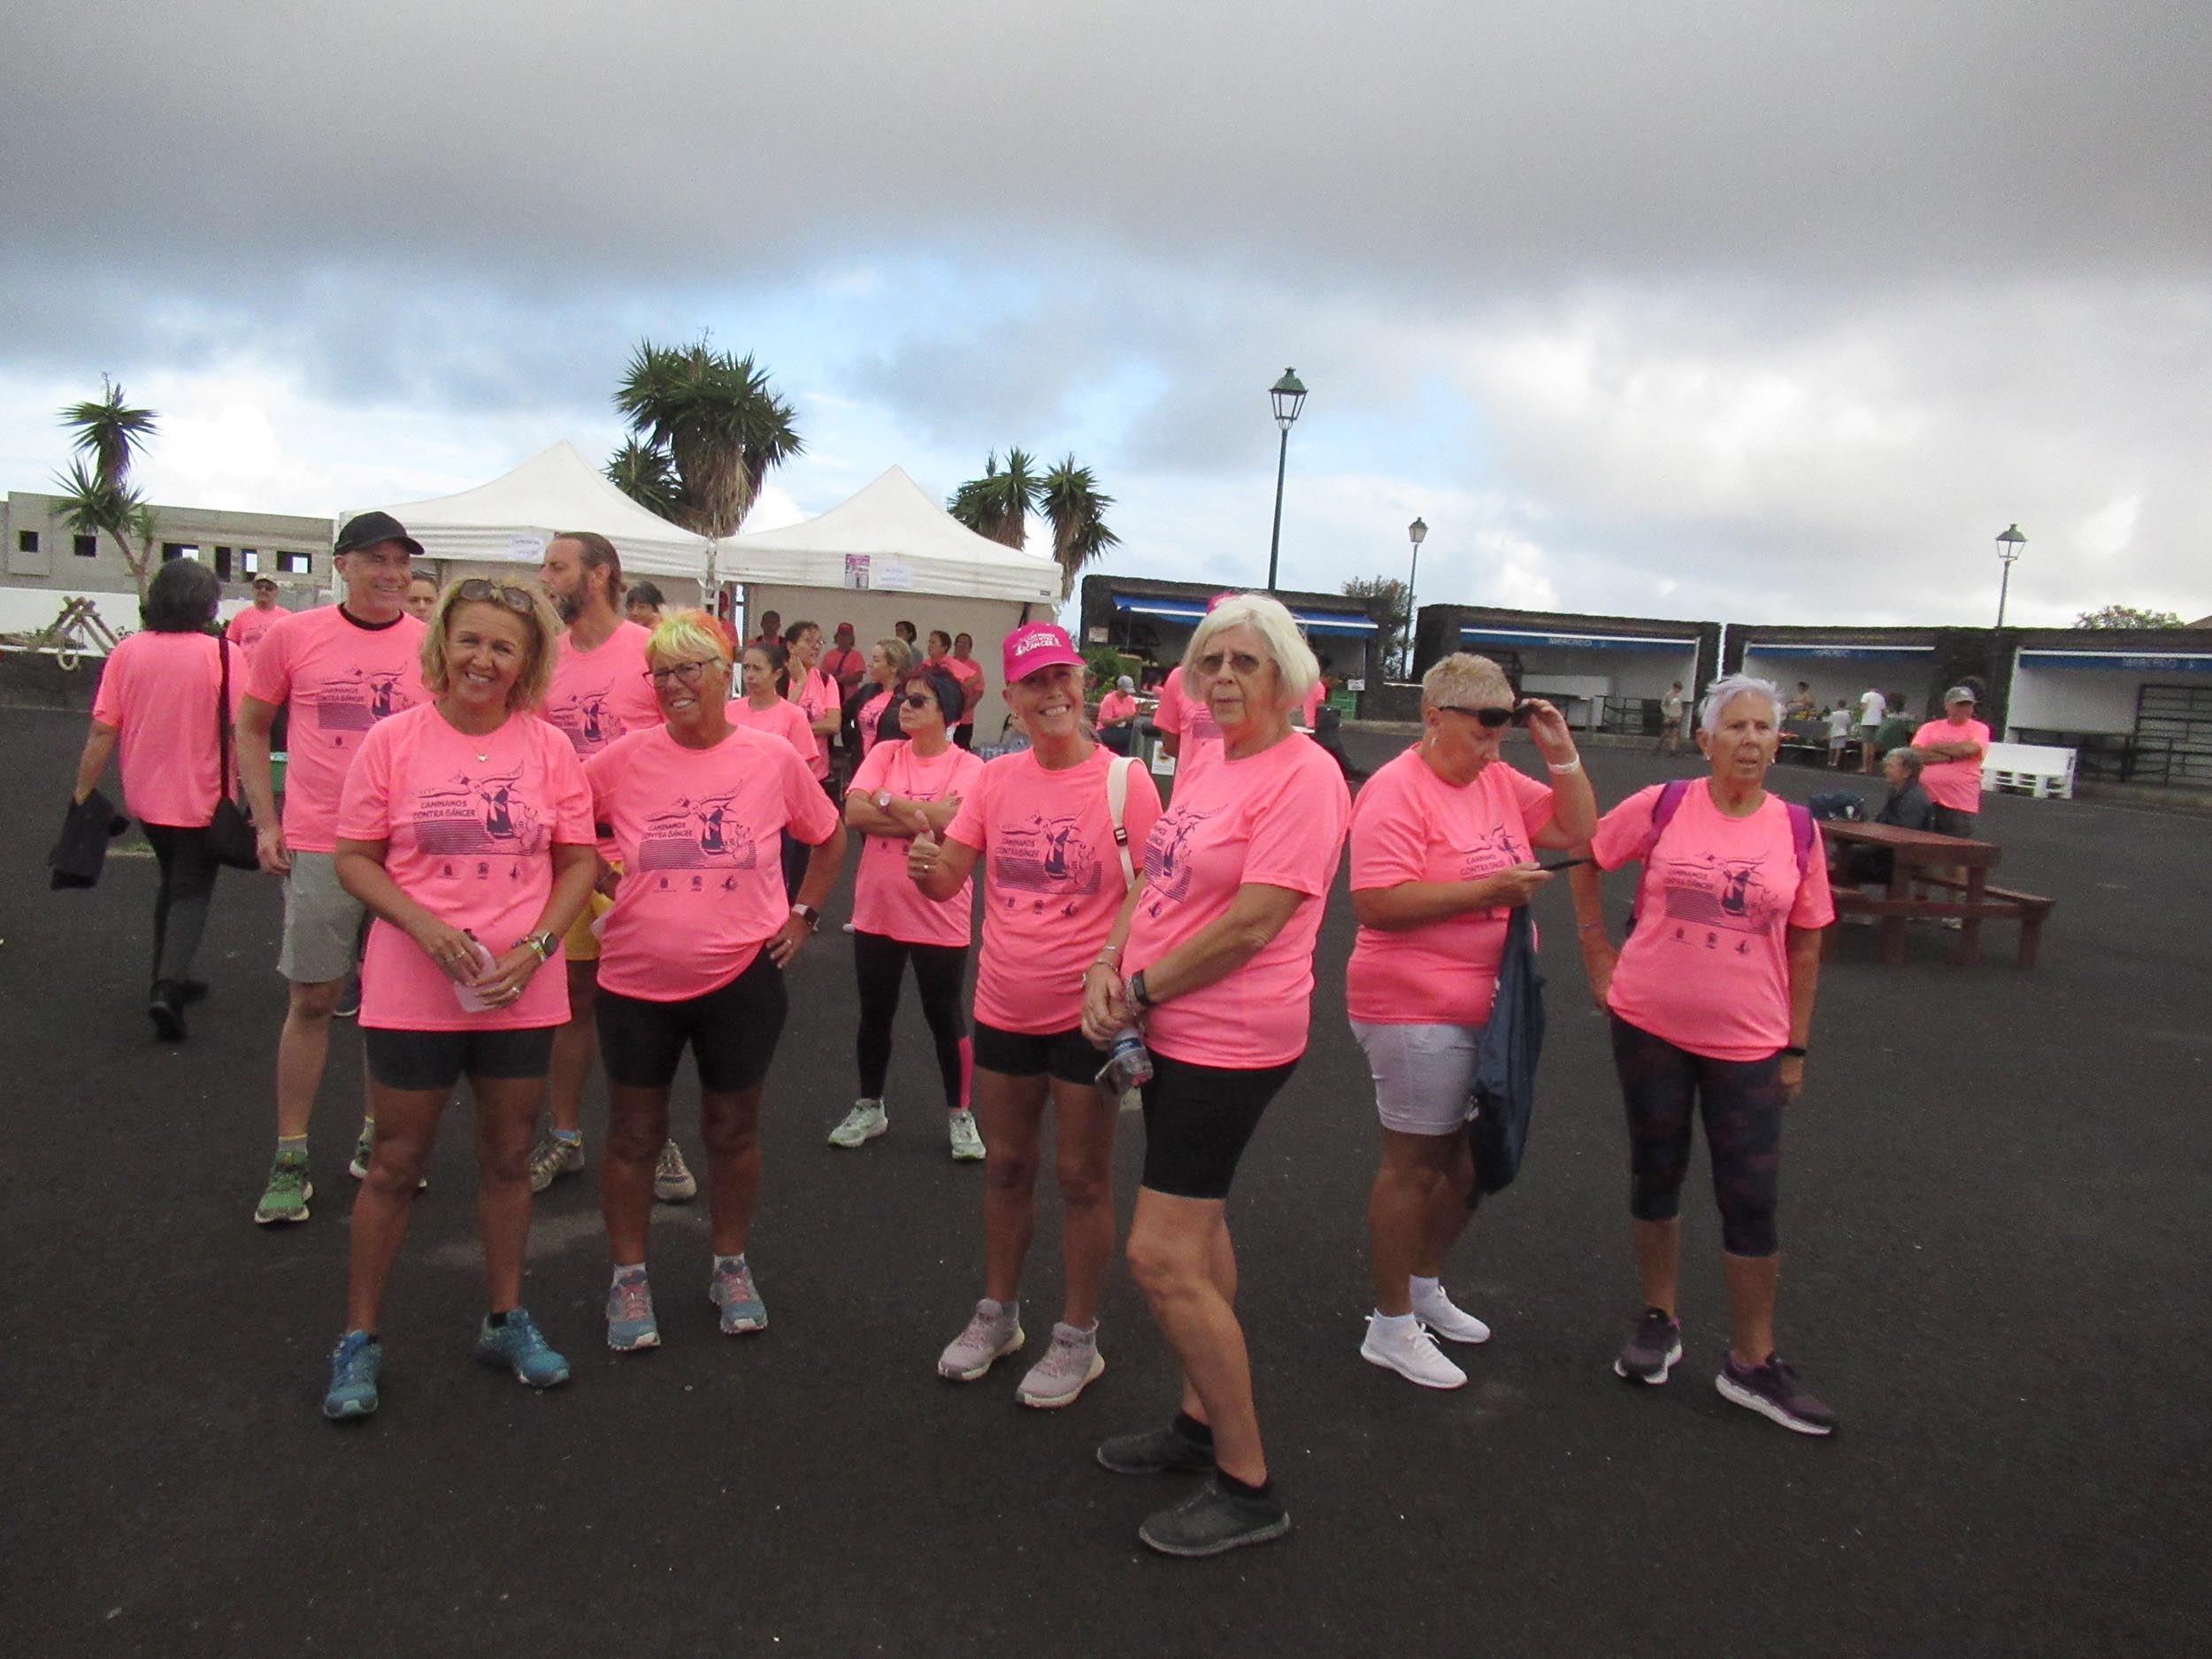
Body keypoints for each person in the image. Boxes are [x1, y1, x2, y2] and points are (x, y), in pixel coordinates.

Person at [1081, 593, 1350, 1558]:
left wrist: (1140, 986)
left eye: (1245, 662)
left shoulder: (1306, 776)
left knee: (1159, 1255)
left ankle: (1247, 1480)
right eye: (1210, 663)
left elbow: (1253, 921)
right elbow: (1157, 881)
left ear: (1286, 677)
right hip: (1170, 1024)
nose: (1225, 678)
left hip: (1230, 1036)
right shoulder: (1207, 760)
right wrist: (1111, 964)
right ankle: (1199, 1422)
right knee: (1200, 1225)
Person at [319, 576, 598, 1420]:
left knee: (510, 1154)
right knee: (397, 1160)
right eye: (470, 640)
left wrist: (541, 944)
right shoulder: (393, 741)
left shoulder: (550, 749)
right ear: (442, 645)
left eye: (502, 647)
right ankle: (359, 1339)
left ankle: (506, 1317)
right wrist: (423, 926)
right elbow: (354, 855)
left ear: (527, 662)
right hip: (414, 981)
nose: (483, 658)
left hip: (519, 982)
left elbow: (579, 860)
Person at [1566, 672, 1837, 1437]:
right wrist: (1596, 951)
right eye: (1736, 727)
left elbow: (1809, 941)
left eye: (1763, 728)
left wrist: (1796, 1046)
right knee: (1657, 1167)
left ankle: (1753, 1360)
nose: (1750, 741)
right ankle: (1659, 1315)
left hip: (1749, 1038)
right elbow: (1588, 857)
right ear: (1706, 739)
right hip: (1648, 1020)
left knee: (1750, 1193)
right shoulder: (1664, 805)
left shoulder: (1797, 830)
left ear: (1778, 741)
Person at [908, 624, 1164, 1407]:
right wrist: (927, 863)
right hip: (1004, 1003)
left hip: (1086, 1015)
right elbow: (949, 880)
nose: (1053, 694)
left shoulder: (1126, 781)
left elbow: (1151, 890)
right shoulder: (994, 781)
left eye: (1064, 678)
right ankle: (999, 1315)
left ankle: (1077, 1336)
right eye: (1035, 683)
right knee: (1008, 1166)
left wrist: (1110, 970)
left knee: (1082, 1175)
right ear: (1010, 700)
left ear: (1084, 687)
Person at [584, 611, 849, 1350]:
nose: (673, 686)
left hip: (742, 975)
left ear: (723, 673)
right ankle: (628, 1275)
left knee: (732, 1129)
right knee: (635, 1132)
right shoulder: (624, 757)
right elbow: (564, 825)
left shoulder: (769, 757)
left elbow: (827, 836)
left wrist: (803, 916)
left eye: (688, 669)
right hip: (636, 975)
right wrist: (603, 873)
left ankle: (729, 1262)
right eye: (660, 673)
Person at [1346, 654, 1595, 1389]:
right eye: (1482, 733)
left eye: (1502, 735)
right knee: (1414, 1164)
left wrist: (1561, 752)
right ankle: (1390, 1325)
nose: (1493, 750)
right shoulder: (1396, 790)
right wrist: (1488, 887)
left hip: (1494, 1002)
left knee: (1474, 1158)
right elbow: (1377, 902)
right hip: (1414, 1000)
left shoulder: (1491, 779)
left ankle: (1422, 1284)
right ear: (1434, 718)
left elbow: (1577, 828)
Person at [235, 511, 428, 1225]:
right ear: (342, 564)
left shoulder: (428, 644)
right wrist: (266, 819)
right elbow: (252, 725)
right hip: (320, 839)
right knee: (314, 999)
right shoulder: (293, 635)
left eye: (401, 562)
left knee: (393, 1004)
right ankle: (290, 1153)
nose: (392, 573)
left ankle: (382, 1138)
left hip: (406, 848)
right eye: (376, 559)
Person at [529, 533, 694, 1205]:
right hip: (572, 851)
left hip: (640, 856)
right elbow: (537, 756)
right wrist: (579, 855)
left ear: (598, 576)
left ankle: (653, 1136)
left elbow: (683, 748)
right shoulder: (547, 660)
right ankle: (565, 1136)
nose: (544, 577)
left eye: (556, 566)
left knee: (645, 1006)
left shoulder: (646, 653)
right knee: (573, 999)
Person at [72, 557, 247, 1040]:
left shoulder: (128, 652)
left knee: (171, 879)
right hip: (205, 797)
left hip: (146, 796)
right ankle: (168, 988)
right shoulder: (225, 654)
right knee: (192, 886)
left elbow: (103, 728)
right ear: (207, 603)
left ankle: (168, 972)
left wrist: (82, 792)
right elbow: (243, 730)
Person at [833, 666, 987, 1156]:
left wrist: (885, 803)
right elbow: (853, 813)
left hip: (939, 911)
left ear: (947, 713)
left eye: (919, 700)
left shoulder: (969, 767)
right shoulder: (883, 752)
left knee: (944, 1015)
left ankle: (960, 1114)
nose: (907, 706)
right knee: (874, 1013)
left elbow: (953, 821)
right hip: (877, 908)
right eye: (905, 697)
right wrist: (916, 814)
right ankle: (869, 1104)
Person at [1912, 687, 1992, 839]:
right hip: (1925, 798)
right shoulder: (1929, 727)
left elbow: (1970, 749)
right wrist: (1952, 756)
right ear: (1947, 705)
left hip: (1959, 803)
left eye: (1968, 705)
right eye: (1959, 704)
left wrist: (1935, 747)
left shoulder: (1979, 728)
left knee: (1952, 851)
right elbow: (1916, 754)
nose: (1965, 708)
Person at [782, 620, 841, 786]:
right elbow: (775, 721)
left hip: (816, 773)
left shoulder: (826, 681)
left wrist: (798, 729)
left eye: (819, 642)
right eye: (808, 641)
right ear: (791, 647)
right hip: (782, 769)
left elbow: (833, 724)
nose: (816, 647)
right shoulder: (777, 678)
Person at [852, 637, 911, 759]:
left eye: (876, 660)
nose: (870, 664)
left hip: (893, 763)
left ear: (894, 667)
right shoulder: (867, 691)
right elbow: (846, 716)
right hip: (862, 763)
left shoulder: (908, 697)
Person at [945, 631, 987, 750]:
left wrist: (962, 709)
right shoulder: (946, 663)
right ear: (954, 645)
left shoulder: (975, 667)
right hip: (944, 717)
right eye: (959, 643)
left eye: (965, 644)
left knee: (961, 749)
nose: (962, 647)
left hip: (964, 718)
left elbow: (979, 692)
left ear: (970, 648)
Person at [227, 575, 286, 661]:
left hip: (274, 672)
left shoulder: (286, 618)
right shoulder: (241, 616)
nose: (263, 590)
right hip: (245, 671)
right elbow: (231, 647)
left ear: (276, 592)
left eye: (268, 588)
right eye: (259, 587)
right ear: (253, 590)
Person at [1095, 673, 1141, 756]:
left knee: (1135, 734)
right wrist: (1123, 719)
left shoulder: (1130, 700)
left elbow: (1132, 715)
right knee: (1130, 737)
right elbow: (1105, 722)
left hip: (1123, 729)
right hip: (1106, 730)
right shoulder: (1109, 699)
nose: (1127, 694)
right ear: (1119, 687)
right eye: (1125, 691)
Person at [1855, 683, 1888, 773]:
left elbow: (1863, 707)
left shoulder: (1866, 695)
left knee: (1865, 744)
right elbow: (1885, 712)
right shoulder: (1881, 698)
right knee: (1872, 745)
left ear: (1869, 688)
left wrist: (1860, 712)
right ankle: (1870, 767)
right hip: (1877, 722)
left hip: (1867, 722)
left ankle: (1864, 767)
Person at [1657, 681, 1686, 755]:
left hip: (1676, 716)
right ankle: (1659, 744)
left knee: (1675, 732)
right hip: (1669, 716)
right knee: (1666, 733)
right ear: (1674, 687)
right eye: (1677, 688)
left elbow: (1680, 706)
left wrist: (1680, 714)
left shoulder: (1680, 696)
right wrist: (1666, 713)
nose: (1678, 690)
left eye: (1679, 689)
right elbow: (1663, 705)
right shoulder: (1668, 695)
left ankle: (1672, 749)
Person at [1824, 700, 1854, 768]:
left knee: (1832, 748)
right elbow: (1848, 724)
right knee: (1839, 748)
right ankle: (1835, 763)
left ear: (1838, 705)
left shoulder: (1834, 714)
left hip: (1834, 731)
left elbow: (1830, 724)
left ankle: (1829, 762)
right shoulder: (1847, 715)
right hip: (1842, 732)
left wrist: (1828, 733)